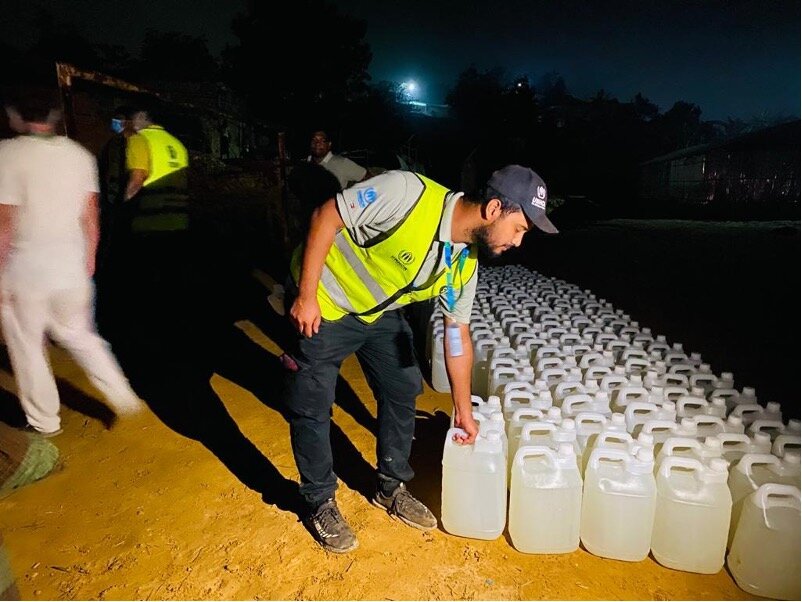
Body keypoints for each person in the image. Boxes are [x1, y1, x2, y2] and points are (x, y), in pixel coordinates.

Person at [284, 164, 558, 552]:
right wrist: (306, 295)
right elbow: (326, 215)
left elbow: (457, 332)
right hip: (325, 302)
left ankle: (391, 486)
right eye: (520, 229)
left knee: (403, 385)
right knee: (311, 400)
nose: (518, 242)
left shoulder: (465, 263)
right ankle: (319, 500)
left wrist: (462, 407)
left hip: (377, 313)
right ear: (495, 208)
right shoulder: (406, 193)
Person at [0, 89, 143, 437]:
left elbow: (4, 221)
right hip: (71, 266)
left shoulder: (7, 154)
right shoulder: (78, 155)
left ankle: (45, 421)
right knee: (80, 335)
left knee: (27, 346)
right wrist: (89, 256)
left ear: (16, 117)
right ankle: (122, 395)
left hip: (25, 270)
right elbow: (91, 213)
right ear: (54, 118)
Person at [124, 105, 190, 235]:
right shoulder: (177, 143)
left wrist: (122, 209)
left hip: (147, 221)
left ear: (141, 116)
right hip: (178, 220)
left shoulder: (139, 139)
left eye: (132, 118)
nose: (130, 123)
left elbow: (137, 178)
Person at [96, 106, 134, 273]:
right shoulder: (114, 142)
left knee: (115, 236)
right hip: (114, 197)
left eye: (118, 121)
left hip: (118, 197)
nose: (115, 124)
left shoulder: (123, 143)